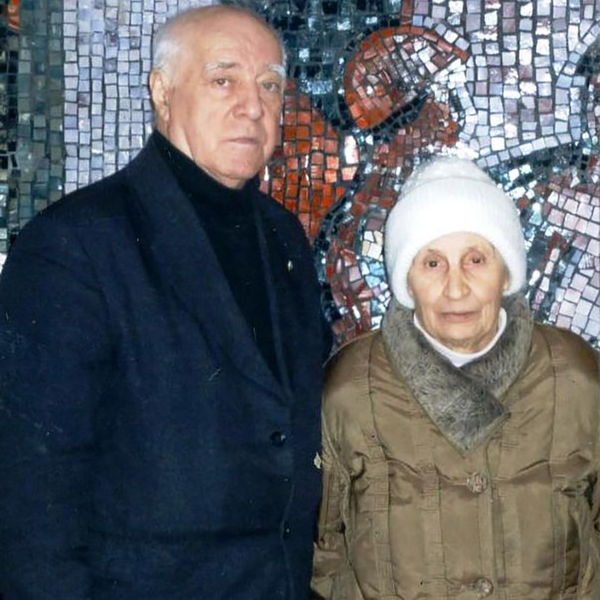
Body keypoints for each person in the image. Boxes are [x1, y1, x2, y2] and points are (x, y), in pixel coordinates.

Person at [0, 5, 330, 599]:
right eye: (223, 79)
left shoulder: (284, 237)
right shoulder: (76, 243)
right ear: (161, 91)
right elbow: (32, 493)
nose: (252, 106)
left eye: (269, 86)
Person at [311, 156, 600, 599]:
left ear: (506, 273)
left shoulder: (578, 379)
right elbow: (323, 552)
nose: (456, 288)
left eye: (476, 260)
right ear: (406, 280)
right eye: (432, 263)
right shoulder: (349, 391)